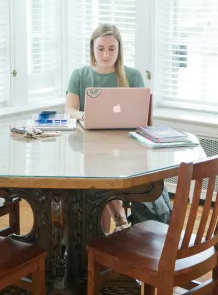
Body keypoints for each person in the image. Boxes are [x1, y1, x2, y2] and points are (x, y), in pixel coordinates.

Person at [65, 24, 172, 232]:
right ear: (92, 49)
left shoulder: (132, 75)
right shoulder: (79, 75)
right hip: (91, 147)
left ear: (119, 49)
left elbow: (144, 118)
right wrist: (84, 114)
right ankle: (120, 221)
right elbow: (69, 109)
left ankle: (118, 224)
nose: (106, 54)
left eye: (112, 49)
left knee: (101, 174)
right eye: (101, 48)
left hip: (127, 148)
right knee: (98, 171)